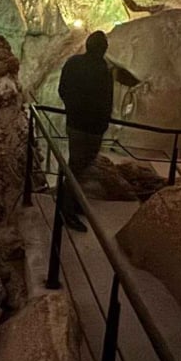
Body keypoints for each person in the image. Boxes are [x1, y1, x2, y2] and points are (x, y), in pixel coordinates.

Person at [56, 30, 114, 231]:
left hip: (77, 123)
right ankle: (67, 209)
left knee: (78, 165)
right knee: (79, 167)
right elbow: (107, 100)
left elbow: (63, 89)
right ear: (103, 49)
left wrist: (72, 109)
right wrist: (103, 122)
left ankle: (70, 201)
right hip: (92, 127)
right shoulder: (103, 70)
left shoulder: (74, 63)